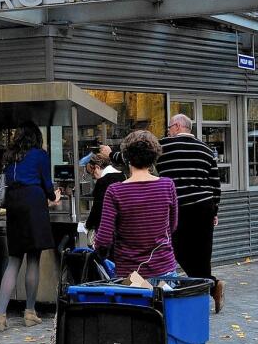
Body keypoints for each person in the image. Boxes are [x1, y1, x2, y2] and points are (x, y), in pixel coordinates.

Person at [100, 114, 225, 312]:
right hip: (203, 207)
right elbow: (215, 183)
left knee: (181, 252)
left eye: (169, 128)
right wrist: (215, 209)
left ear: (176, 127)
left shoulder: (164, 146)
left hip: (180, 206)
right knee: (202, 255)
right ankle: (207, 289)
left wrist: (110, 154)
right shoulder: (206, 150)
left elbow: (136, 153)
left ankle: (206, 287)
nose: (167, 131)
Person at [0, 123, 60, 332]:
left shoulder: (9, 156)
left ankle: (1, 316)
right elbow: (47, 184)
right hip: (34, 203)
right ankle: (30, 312)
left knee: (14, 260)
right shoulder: (40, 155)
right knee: (33, 258)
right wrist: (54, 197)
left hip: (14, 204)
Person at [93, 131, 179, 278]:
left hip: (130, 275)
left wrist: (99, 252)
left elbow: (104, 238)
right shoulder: (167, 185)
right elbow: (172, 225)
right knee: (164, 301)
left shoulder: (115, 191)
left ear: (126, 158)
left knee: (134, 302)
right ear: (154, 157)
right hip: (165, 269)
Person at [84, 154, 124, 234]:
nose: (93, 177)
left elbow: (98, 207)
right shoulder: (123, 176)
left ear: (97, 167)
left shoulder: (103, 181)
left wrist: (88, 224)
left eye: (92, 173)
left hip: (107, 227)